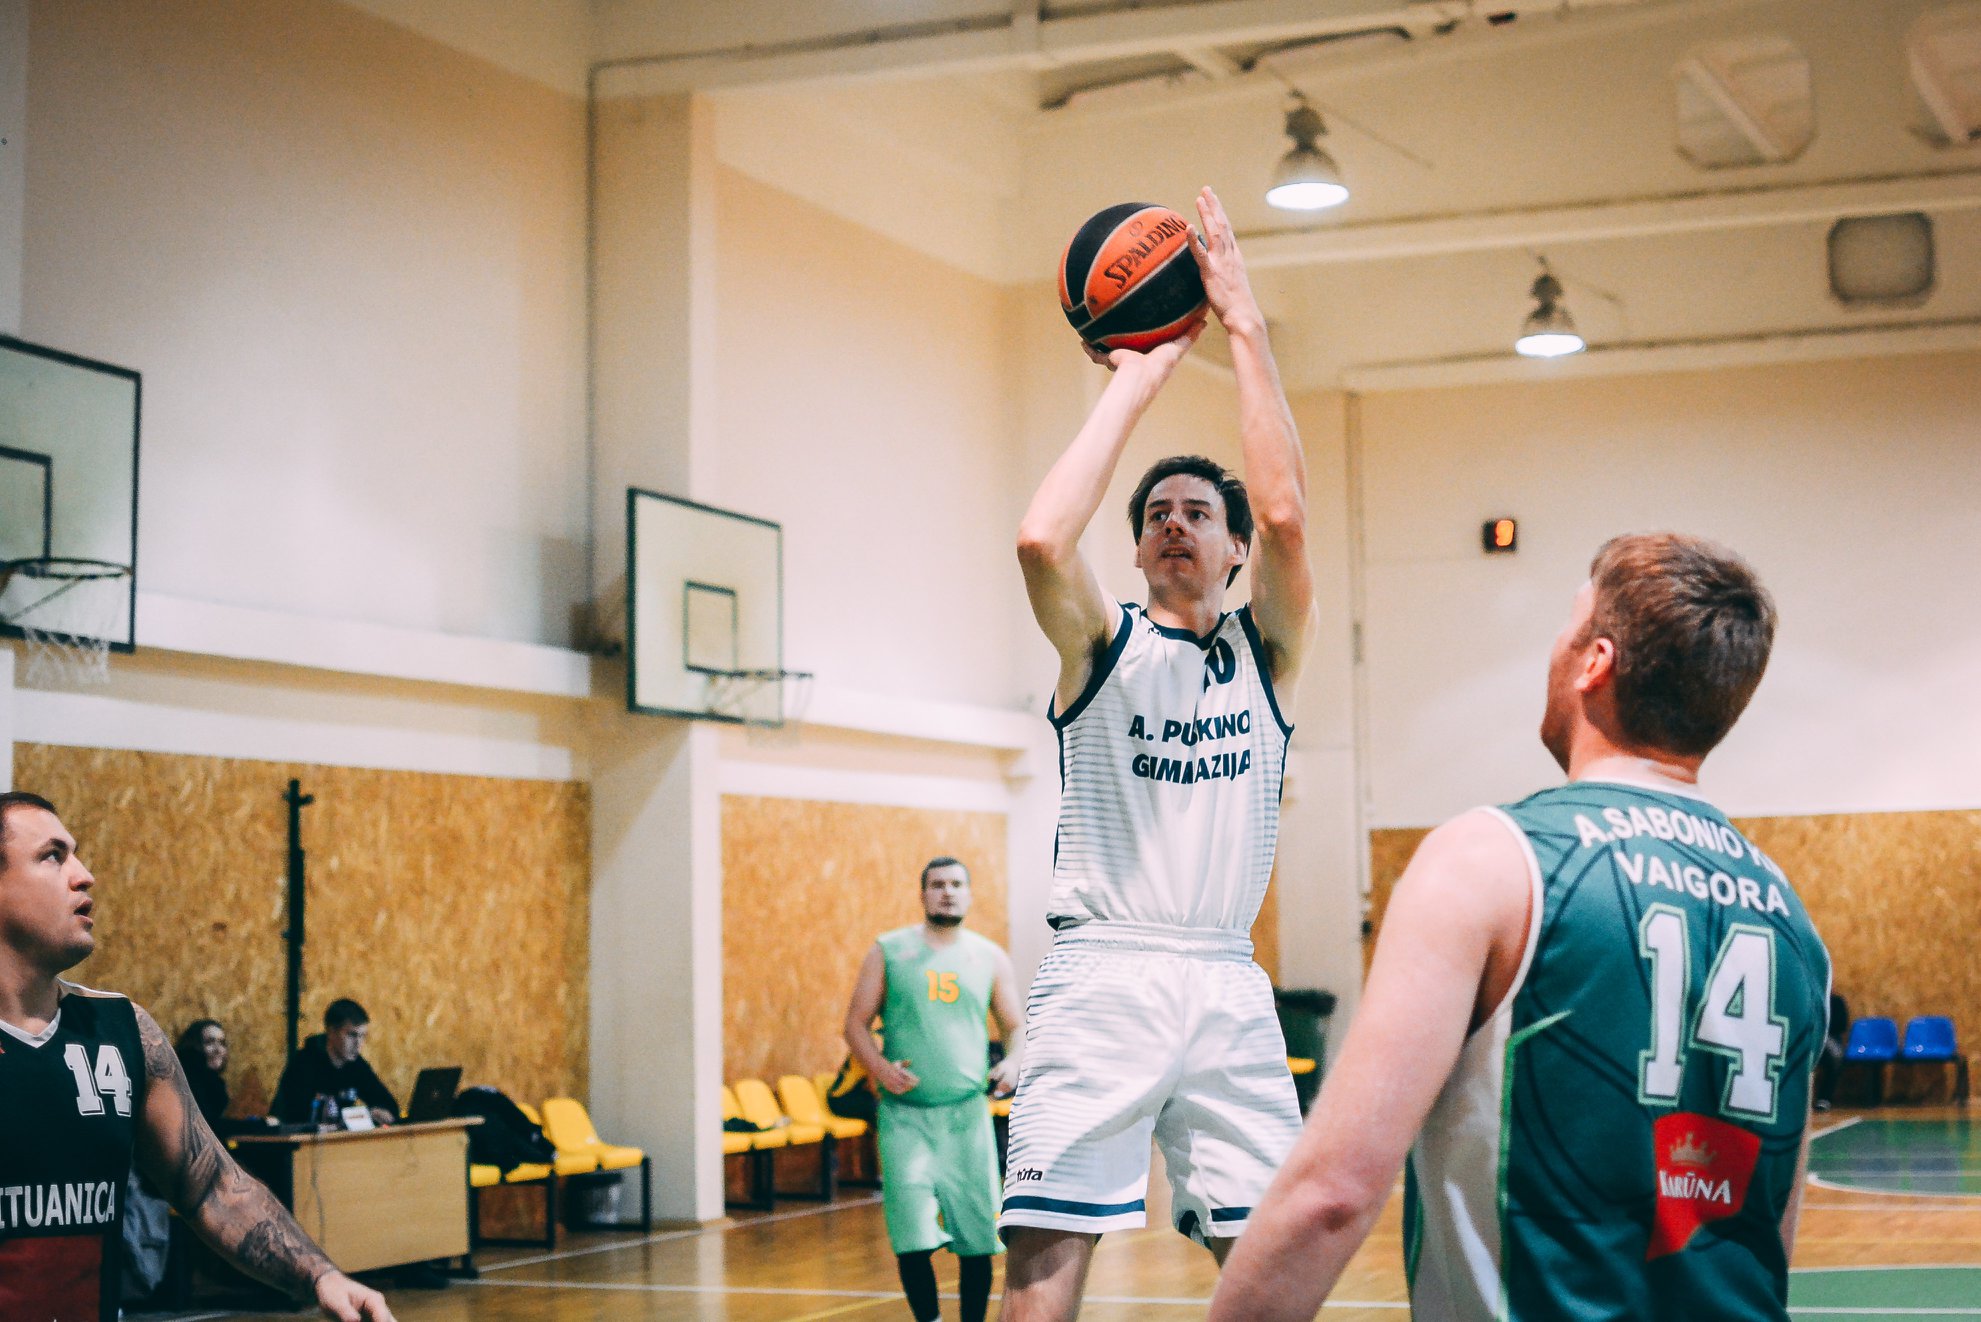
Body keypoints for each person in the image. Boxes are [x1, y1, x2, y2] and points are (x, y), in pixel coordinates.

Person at [1210, 533, 1832, 1322]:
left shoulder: (1492, 860)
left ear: (1593, 662)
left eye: (1567, 627)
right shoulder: (1787, 915)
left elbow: (1331, 1193)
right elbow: (1770, 1230)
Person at [999, 186, 1313, 1320]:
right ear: (1135, 550)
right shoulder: (1102, 645)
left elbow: (1288, 518)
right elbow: (1041, 539)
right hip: (1103, 975)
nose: (1174, 522)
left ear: (1232, 552)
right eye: (1154, 514)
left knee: (1278, 1278)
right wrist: (1139, 373)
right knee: (1042, 1280)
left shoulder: (1266, 656)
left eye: (1197, 513)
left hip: (1225, 978)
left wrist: (1242, 327)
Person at [0, 790, 394, 1322]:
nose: (84, 875)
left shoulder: (124, 1031)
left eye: (76, 854)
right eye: (53, 856)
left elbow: (212, 1187)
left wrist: (321, 1275)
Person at [844, 857, 1026, 1322]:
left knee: (978, 1238)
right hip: (905, 1116)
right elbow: (855, 1024)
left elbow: (1015, 1027)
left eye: (957, 884)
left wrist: (1012, 1061)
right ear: (922, 893)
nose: (947, 892)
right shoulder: (888, 950)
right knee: (911, 1235)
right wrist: (879, 1068)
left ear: (969, 893)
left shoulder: (988, 956)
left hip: (966, 1116)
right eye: (938, 884)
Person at [272, 999, 398, 1127]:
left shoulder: (357, 1066)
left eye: (362, 1036)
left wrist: (377, 1112)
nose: (358, 1044)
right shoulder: (303, 1064)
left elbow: (390, 1106)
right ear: (331, 1032)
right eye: (352, 1035)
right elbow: (291, 1116)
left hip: (339, 1138)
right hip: (299, 1138)